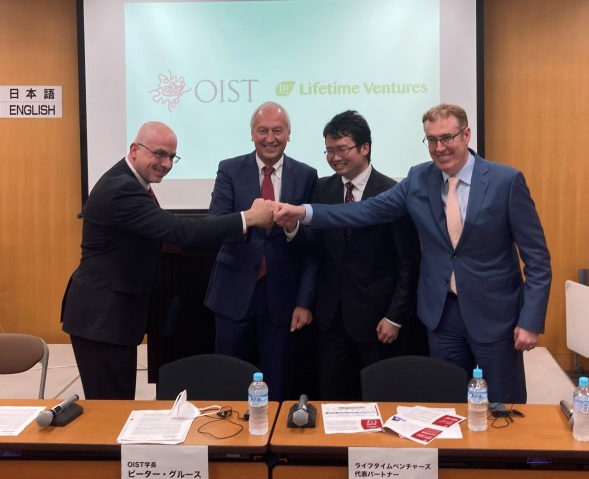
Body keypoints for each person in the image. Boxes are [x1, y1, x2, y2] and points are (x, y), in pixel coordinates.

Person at [274, 104, 552, 404]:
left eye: (447, 138)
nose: (439, 147)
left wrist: (531, 319)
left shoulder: (505, 182)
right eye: (431, 140)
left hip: (495, 315)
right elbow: (366, 211)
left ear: (466, 134)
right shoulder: (419, 178)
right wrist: (303, 212)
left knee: (502, 406)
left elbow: (537, 258)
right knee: (448, 404)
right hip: (441, 316)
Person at [61, 121, 274, 400]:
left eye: (172, 157)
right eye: (159, 154)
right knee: (108, 409)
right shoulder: (121, 188)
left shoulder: (131, 181)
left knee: (116, 404)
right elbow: (178, 231)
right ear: (134, 149)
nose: (166, 163)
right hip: (101, 317)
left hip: (110, 316)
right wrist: (248, 218)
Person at [204, 101, 318, 401]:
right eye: (262, 130)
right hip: (233, 292)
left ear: (289, 134)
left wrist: (292, 227)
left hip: (283, 297)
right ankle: (229, 445)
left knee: (279, 380)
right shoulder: (229, 169)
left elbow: (314, 246)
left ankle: (273, 446)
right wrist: (249, 219)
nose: (270, 138)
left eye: (277, 130)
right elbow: (215, 224)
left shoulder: (307, 175)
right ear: (251, 134)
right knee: (227, 377)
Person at [309, 110, 426, 400]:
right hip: (330, 319)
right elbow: (314, 250)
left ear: (365, 148)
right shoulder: (321, 189)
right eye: (329, 150)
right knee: (330, 398)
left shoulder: (392, 192)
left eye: (342, 149)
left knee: (379, 399)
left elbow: (407, 262)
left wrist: (395, 317)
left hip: (377, 321)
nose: (335, 157)